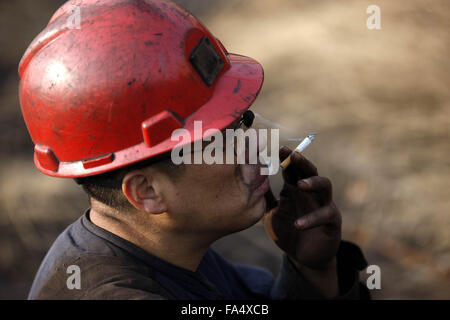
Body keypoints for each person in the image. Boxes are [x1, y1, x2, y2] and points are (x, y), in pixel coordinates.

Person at [19, 0, 369, 300]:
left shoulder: (168, 250)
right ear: (147, 191)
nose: (255, 147)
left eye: (240, 125)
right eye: (220, 140)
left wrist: (313, 271)